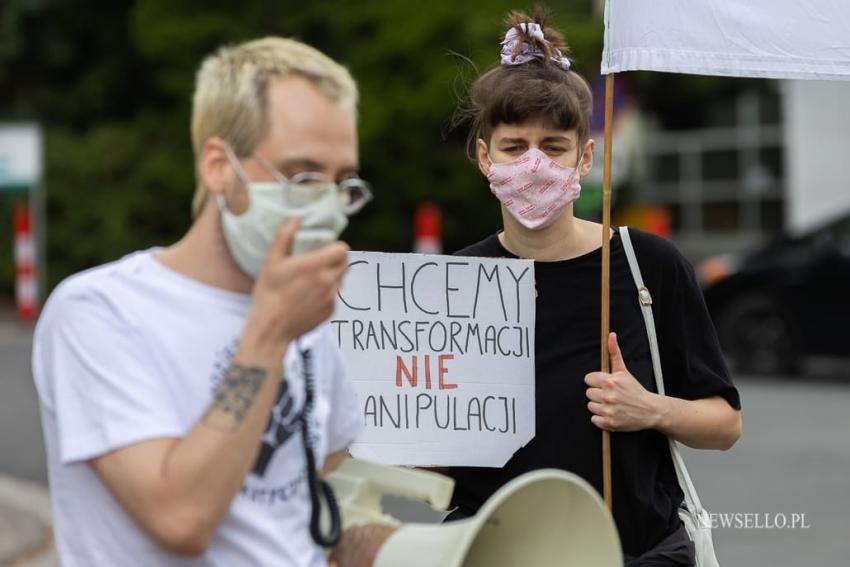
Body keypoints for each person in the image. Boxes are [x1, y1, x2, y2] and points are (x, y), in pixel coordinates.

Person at [32, 37, 392, 566]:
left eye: (343, 182)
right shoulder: (100, 311)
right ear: (219, 166)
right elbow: (181, 519)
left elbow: (314, 481)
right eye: (304, 176)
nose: (328, 205)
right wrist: (270, 332)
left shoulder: (305, 310)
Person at [444, 9, 742, 566]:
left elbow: (724, 424)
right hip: (495, 554)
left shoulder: (646, 263)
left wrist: (649, 409)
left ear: (585, 156)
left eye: (553, 147)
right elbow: (428, 459)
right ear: (485, 158)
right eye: (514, 147)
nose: (534, 164)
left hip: (639, 553)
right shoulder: (454, 283)